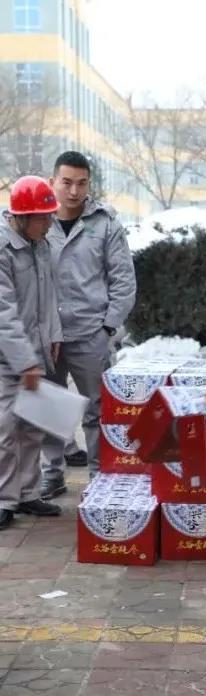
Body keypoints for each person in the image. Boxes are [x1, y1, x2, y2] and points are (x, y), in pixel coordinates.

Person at [41, 151, 137, 499]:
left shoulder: (105, 224)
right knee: (49, 408)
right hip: (48, 335)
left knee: (97, 411)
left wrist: (107, 328)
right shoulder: (37, 221)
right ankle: (52, 474)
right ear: (52, 181)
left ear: (89, 184)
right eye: (66, 182)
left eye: (81, 183)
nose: (74, 191)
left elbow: (124, 280)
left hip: (90, 333)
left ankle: (100, 478)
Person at [0, 176, 64, 531]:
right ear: (22, 217)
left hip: (36, 352)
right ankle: (4, 499)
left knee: (32, 427)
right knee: (6, 429)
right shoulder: (3, 250)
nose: (50, 223)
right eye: (43, 217)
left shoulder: (40, 245)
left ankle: (27, 493)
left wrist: (53, 335)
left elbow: (49, 296)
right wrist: (24, 361)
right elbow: (3, 314)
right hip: (9, 356)